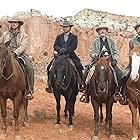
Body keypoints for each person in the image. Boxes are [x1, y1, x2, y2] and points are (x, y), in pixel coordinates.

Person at [80, 24, 125, 104]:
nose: (102, 31)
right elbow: (92, 51)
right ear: (98, 32)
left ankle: (118, 92)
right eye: (100, 30)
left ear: (107, 32)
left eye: (104, 30)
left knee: (119, 73)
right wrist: (94, 56)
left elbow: (116, 51)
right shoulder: (95, 42)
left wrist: (114, 59)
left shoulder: (111, 41)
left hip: (109, 61)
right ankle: (85, 91)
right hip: (98, 61)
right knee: (87, 71)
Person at [0, 16, 34, 100]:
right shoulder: (5, 34)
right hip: (6, 54)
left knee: (29, 67)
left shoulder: (24, 35)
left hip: (19, 54)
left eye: (15, 22)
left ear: (19, 24)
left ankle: (28, 89)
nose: (13, 24)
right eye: (12, 22)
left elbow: (23, 46)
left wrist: (15, 53)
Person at [45, 20, 84, 93]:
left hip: (70, 55)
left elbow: (74, 46)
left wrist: (66, 50)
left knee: (78, 66)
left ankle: (80, 84)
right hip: (59, 55)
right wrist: (60, 49)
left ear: (70, 27)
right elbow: (55, 45)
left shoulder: (74, 37)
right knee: (49, 67)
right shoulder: (59, 36)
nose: (65, 28)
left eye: (66, 27)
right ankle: (49, 84)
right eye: (64, 27)